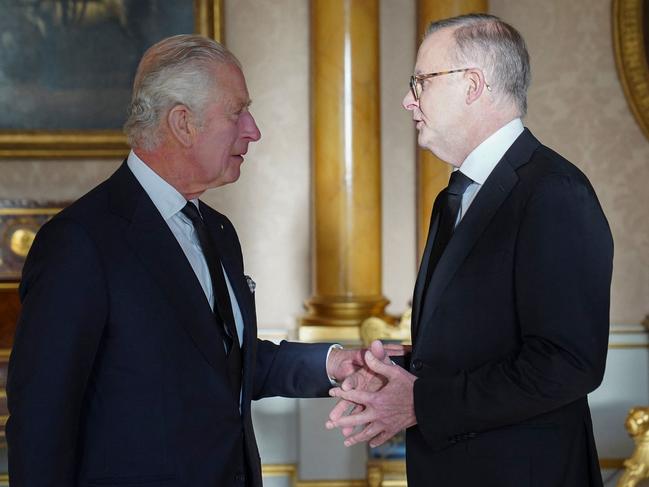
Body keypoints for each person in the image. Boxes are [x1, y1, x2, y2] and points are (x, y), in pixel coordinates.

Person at [6, 34, 366, 487]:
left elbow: (223, 364)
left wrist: (334, 363)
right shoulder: (80, 242)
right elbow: (41, 421)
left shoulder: (218, 231)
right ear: (183, 123)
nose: (253, 130)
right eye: (237, 112)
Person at [327, 13, 614, 487]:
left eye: (420, 82)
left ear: (473, 85)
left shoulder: (554, 192)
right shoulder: (454, 197)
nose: (407, 100)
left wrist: (421, 402)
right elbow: (477, 341)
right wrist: (393, 377)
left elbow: (568, 364)